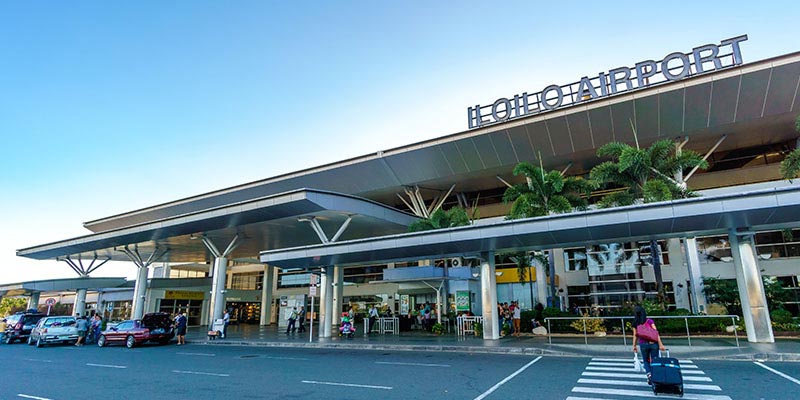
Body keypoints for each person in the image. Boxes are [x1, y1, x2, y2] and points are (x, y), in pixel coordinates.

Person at [632, 305, 666, 385]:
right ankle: (656, 376)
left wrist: (634, 346)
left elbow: (635, 335)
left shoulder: (635, 323)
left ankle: (649, 375)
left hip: (643, 344)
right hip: (653, 343)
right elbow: (656, 333)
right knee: (654, 360)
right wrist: (661, 344)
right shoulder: (650, 321)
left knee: (646, 360)